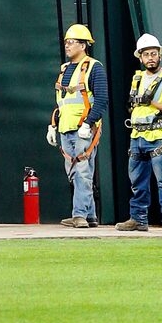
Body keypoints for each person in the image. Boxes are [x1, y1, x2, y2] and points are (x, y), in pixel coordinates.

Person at [116, 33, 162, 236]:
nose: (151, 58)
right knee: (137, 181)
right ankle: (138, 219)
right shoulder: (137, 79)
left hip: (157, 135)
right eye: (146, 55)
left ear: (159, 56)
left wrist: (152, 103)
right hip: (137, 135)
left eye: (153, 54)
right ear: (141, 58)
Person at [48, 22, 108, 228]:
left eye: (71, 42)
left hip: (83, 128)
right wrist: (53, 125)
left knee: (82, 171)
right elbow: (62, 102)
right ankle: (89, 215)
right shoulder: (65, 70)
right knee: (75, 173)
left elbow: (101, 99)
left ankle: (79, 215)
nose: (67, 45)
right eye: (66, 42)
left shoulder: (94, 67)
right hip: (66, 128)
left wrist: (88, 123)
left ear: (83, 45)